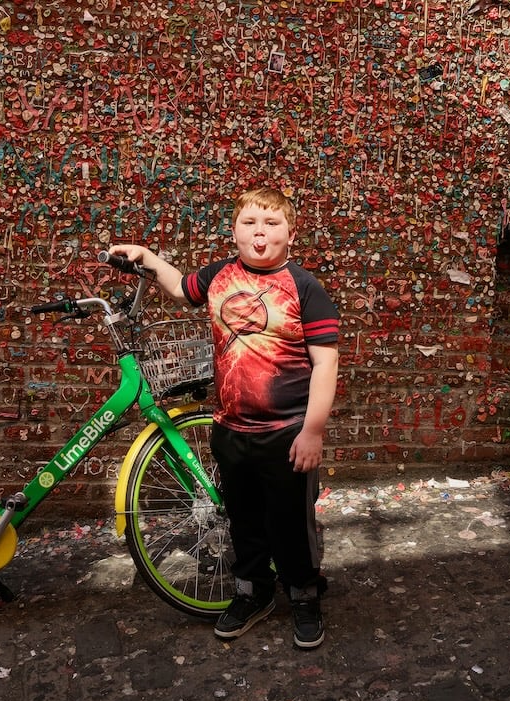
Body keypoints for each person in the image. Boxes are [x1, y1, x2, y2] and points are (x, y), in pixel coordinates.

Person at [108, 187, 340, 649]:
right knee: (242, 519)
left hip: (287, 433)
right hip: (231, 428)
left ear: (290, 234)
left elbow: (326, 363)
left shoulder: (306, 288)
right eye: (250, 223)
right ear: (234, 231)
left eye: (272, 224)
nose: (260, 232)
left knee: (291, 524)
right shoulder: (217, 276)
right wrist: (147, 257)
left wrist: (312, 430)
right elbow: (178, 288)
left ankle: (304, 595)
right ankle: (253, 592)